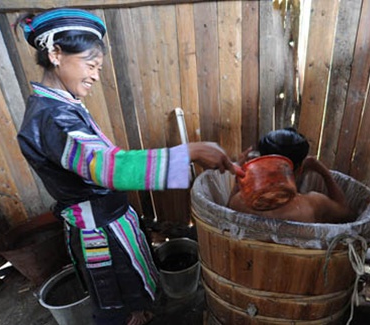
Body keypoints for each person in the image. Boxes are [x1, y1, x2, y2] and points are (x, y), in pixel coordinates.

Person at [15, 8, 243, 325]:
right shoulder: (51, 117)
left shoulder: (61, 106)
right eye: (90, 65)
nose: (95, 75)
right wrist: (188, 152)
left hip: (112, 220)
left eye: (99, 67)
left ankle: (140, 313)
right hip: (98, 232)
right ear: (55, 53)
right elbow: (106, 167)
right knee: (114, 303)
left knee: (133, 291)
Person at [228, 128, 356, 224]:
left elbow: (224, 213)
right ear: (300, 168)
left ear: (261, 161)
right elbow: (346, 213)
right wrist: (323, 171)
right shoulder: (313, 204)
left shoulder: (240, 201)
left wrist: (240, 175)